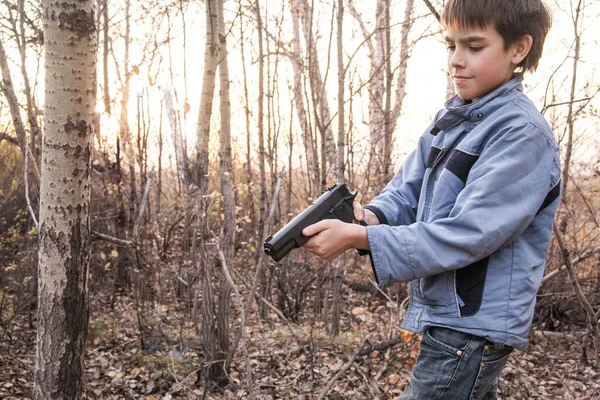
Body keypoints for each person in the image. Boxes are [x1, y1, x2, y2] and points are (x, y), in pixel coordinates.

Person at [301, 0, 560, 398]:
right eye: (450, 45)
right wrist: (367, 218)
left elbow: (469, 233)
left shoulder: (521, 134)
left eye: (474, 47)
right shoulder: (453, 121)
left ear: (519, 49)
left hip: (470, 327)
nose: (456, 60)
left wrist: (361, 239)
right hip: (449, 319)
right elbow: (407, 191)